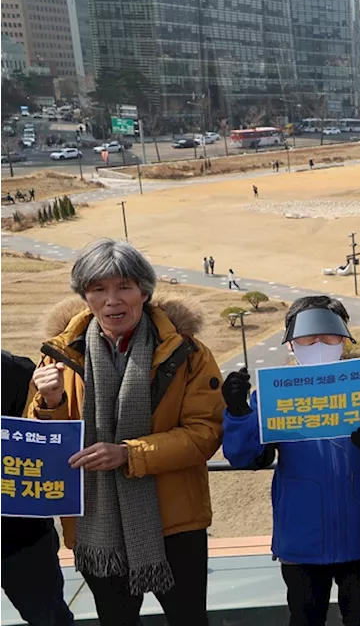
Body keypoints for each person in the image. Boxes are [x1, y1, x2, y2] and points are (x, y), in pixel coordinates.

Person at [26, 238, 224, 625]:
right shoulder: (62, 353)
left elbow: (204, 433)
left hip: (175, 522)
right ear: (85, 296)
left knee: (188, 619)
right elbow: (40, 446)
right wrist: (49, 403)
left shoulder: (185, 352)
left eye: (124, 287)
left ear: (144, 291)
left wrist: (129, 454)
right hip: (96, 529)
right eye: (98, 289)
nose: (112, 300)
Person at [221, 296, 360, 626]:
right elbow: (244, 457)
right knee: (305, 618)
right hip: (302, 537)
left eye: (330, 335)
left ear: (344, 338)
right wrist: (238, 414)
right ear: (291, 342)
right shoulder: (274, 392)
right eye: (308, 337)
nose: (319, 344)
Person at [0, 350, 76, 626]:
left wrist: (52, 398)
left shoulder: (16, 370)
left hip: (24, 536)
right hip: (26, 531)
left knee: (50, 617)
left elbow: (46, 435)